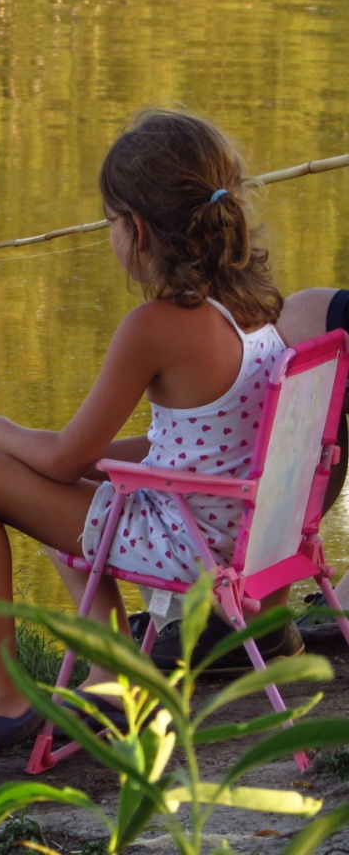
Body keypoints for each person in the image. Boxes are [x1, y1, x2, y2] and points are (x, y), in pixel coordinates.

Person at [0, 107, 287, 776]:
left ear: (136, 230)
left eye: (110, 220)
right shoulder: (255, 312)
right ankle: (113, 671)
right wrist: (98, 466)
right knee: (76, 494)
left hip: (196, 548)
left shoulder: (154, 327)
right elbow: (203, 442)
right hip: (250, 533)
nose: (110, 234)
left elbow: (62, 458)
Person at [137, 286, 349, 670]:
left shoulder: (151, 327)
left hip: (229, 552)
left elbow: (67, 459)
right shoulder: (266, 333)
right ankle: (246, 623)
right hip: (277, 538)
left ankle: (113, 668)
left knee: (108, 503)